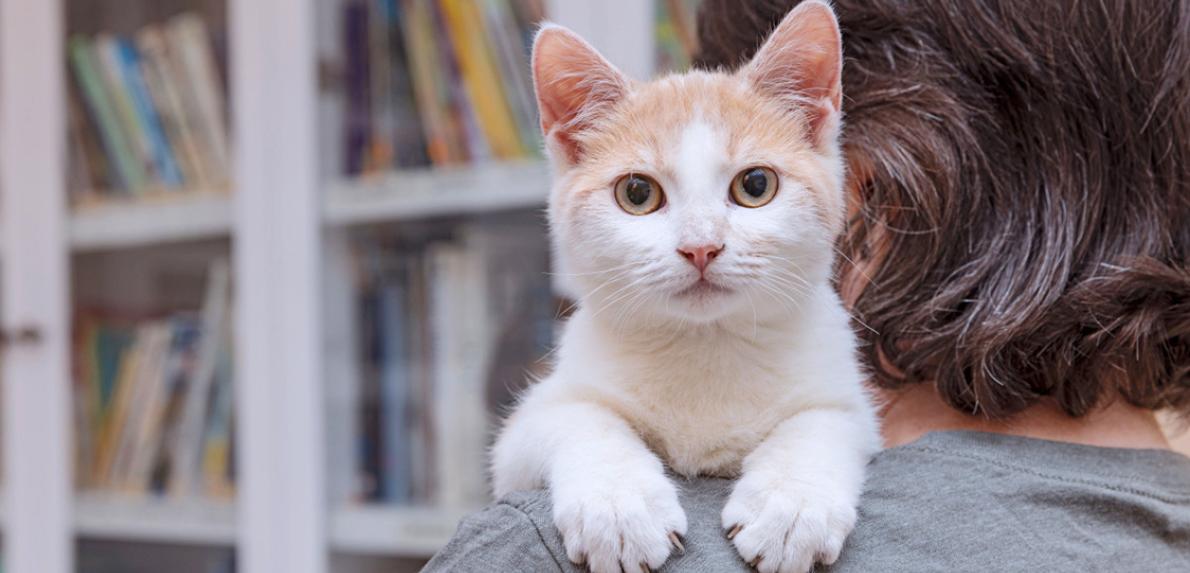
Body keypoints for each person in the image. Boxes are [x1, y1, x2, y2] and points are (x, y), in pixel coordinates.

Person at [423, 0, 1190, 570]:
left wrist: (807, 463)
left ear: (860, 171)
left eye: (751, 186)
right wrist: (593, 454)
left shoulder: (528, 553)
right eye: (639, 193)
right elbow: (540, 433)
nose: (700, 243)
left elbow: (834, 416)